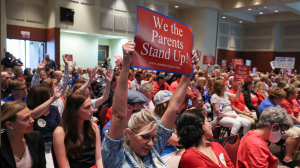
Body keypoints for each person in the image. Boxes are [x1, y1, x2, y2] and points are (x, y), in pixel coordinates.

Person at [101, 40, 200, 167]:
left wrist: (188, 71)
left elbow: (173, 108)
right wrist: (126, 63)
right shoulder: (115, 158)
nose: (151, 143)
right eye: (145, 137)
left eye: (153, 138)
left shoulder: (152, 150)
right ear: (129, 134)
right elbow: (118, 116)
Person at [53, 92, 103, 168]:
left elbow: (99, 158)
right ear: (75, 111)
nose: (92, 110)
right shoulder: (60, 132)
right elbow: (64, 166)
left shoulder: (93, 127)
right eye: (87, 107)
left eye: (91, 106)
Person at [258, 87, 300, 166]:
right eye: (280, 99)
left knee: (299, 131)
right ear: (276, 98)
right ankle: (287, 158)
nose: (281, 101)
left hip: (280, 125)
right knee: (294, 134)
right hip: (272, 129)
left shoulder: (274, 102)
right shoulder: (268, 105)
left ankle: (294, 153)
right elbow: (274, 123)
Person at [1, 101, 46, 168]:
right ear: (9, 124)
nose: (32, 120)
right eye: (26, 118)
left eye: (30, 116)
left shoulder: (36, 137)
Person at [27, 85, 62, 153]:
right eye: (48, 95)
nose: (50, 97)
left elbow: (59, 126)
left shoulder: (53, 108)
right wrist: (53, 99)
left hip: (55, 142)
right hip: (38, 145)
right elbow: (33, 115)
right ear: (41, 98)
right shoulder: (27, 110)